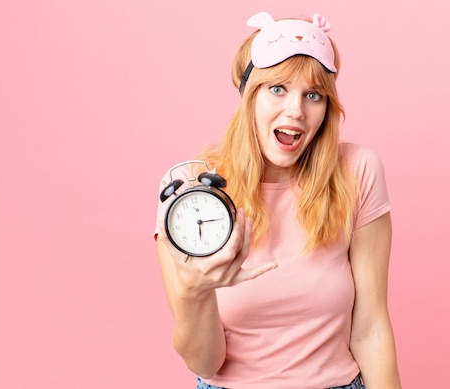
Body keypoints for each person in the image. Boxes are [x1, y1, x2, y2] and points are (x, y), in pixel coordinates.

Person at [154, 11, 402, 389]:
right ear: (248, 93)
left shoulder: (357, 170)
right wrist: (195, 292)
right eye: (277, 89)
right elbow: (205, 361)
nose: (296, 111)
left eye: (313, 95)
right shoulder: (191, 191)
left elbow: (370, 330)